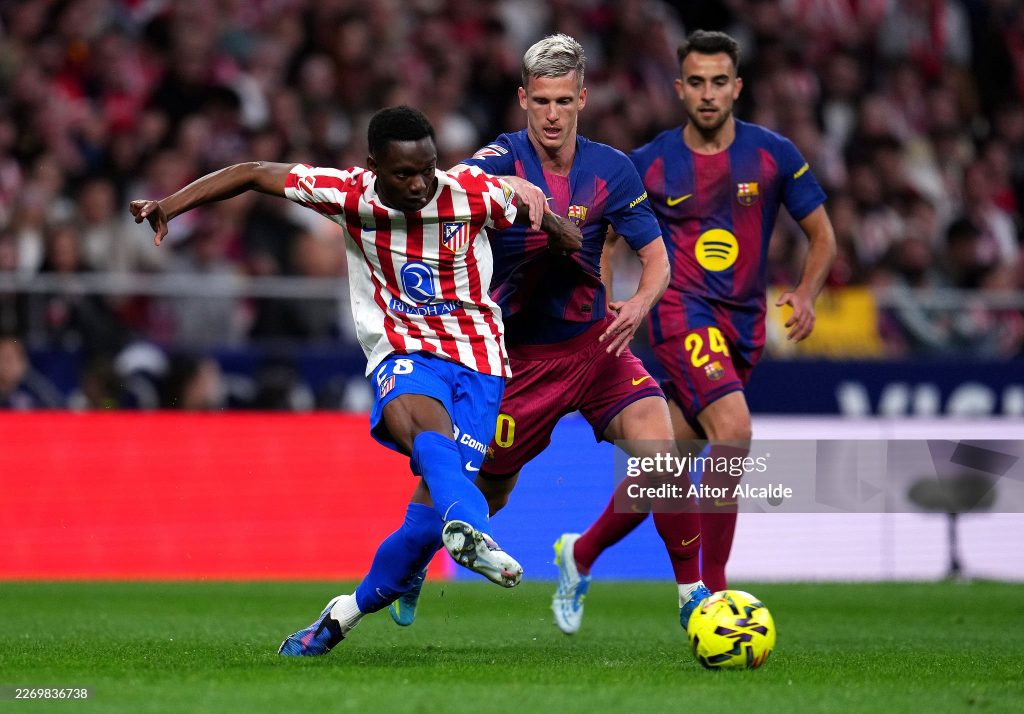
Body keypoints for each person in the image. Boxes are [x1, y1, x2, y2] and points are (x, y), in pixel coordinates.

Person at [129, 105, 582, 656]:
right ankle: (469, 531)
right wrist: (168, 205)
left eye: (427, 170)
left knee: (419, 532)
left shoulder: (470, 192)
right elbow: (251, 171)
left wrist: (562, 231)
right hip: (402, 351)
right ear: (373, 166)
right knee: (426, 433)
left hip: (480, 361)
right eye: (403, 174)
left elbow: (539, 218)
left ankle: (341, 616)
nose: (419, 185)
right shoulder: (348, 195)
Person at [387, 35, 710, 636]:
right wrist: (507, 189)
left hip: (597, 348)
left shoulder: (613, 169)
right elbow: (446, 185)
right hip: (518, 361)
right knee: (487, 491)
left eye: (564, 100)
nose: (552, 114)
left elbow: (658, 259)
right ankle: (408, 567)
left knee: (662, 459)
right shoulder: (501, 157)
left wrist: (641, 301)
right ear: (523, 100)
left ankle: (695, 597)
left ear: (582, 99)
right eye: (541, 101)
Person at [582, 30, 837, 595]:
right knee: (735, 431)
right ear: (679, 88)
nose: (707, 93)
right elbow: (606, 241)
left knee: (665, 469)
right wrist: (604, 305)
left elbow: (822, 235)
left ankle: (579, 554)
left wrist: (807, 291)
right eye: (696, 82)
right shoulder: (647, 164)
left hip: (743, 328)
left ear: (737, 87)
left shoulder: (773, 154)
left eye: (719, 82)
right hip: (680, 311)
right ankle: (715, 590)